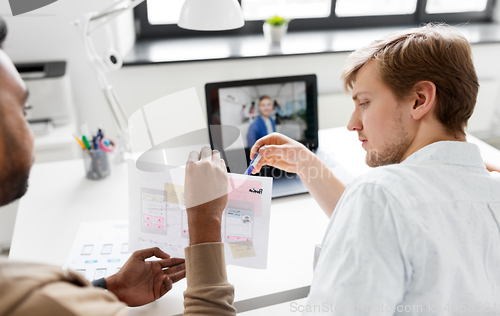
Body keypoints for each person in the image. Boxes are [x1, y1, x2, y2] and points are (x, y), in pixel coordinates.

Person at [180, 24, 500, 315]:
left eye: (364, 103)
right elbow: (397, 226)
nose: (352, 123)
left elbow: (383, 212)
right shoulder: (491, 190)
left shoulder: (379, 197)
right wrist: (306, 162)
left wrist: (204, 220)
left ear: (419, 100)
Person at [0, 17, 235, 315]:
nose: (30, 130)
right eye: (23, 111)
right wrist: (206, 223)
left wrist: (109, 289)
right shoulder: (33, 299)